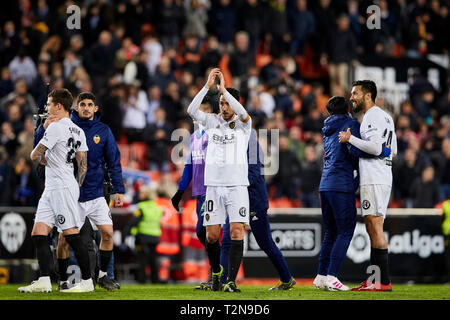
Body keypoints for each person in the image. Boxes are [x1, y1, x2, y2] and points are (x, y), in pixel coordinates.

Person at [173, 99, 295, 291]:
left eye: (228, 106)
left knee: (264, 242)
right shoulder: (225, 135)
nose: (224, 111)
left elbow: (255, 173)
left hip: (252, 197)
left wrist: (236, 186)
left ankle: (286, 278)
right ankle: (222, 280)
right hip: (233, 193)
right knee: (225, 238)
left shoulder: (249, 139)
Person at [34, 92, 125, 291]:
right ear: (75, 107)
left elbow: (113, 161)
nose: (85, 108)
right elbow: (42, 150)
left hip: (95, 192)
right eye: (82, 104)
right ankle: (64, 279)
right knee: (64, 239)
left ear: (95, 108)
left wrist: (119, 189)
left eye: (89, 104)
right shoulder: (64, 126)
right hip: (71, 192)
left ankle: (103, 276)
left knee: (107, 233)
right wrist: (41, 127)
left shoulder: (103, 130)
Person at [18, 88, 94, 293]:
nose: (47, 108)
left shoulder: (54, 128)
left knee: (70, 234)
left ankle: (87, 281)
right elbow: (83, 163)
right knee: (39, 232)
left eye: (49, 104)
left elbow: (34, 155)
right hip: (61, 185)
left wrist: (42, 128)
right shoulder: (78, 130)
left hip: (60, 187)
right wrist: (75, 186)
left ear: (59, 106)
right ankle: (44, 280)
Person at [313, 96, 391, 291]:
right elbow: (353, 150)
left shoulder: (326, 128)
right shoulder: (350, 123)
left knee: (331, 232)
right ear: (347, 108)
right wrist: (381, 151)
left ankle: (321, 276)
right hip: (341, 185)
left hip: (325, 185)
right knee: (346, 231)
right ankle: (332, 277)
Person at [187, 68, 251, 292]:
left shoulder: (244, 125)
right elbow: (191, 109)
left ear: (234, 103)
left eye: (226, 102)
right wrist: (207, 86)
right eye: (221, 103)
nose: (223, 106)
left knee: (236, 232)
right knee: (212, 236)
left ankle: (231, 282)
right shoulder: (211, 122)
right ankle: (216, 275)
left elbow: (244, 113)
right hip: (213, 186)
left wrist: (224, 88)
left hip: (237, 186)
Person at [338, 80, 397, 291]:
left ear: (368, 96)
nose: (351, 97)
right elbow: (391, 150)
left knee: (374, 226)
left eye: (355, 93)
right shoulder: (386, 117)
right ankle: (377, 280)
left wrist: (349, 138)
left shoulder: (372, 116)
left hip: (374, 177)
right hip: (382, 174)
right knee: (374, 227)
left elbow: (375, 147)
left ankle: (381, 281)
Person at [123, 186, 163, 283]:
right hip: (155, 236)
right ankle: (155, 280)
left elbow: (132, 222)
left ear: (145, 195)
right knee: (153, 260)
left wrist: (125, 235)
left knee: (142, 260)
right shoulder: (157, 207)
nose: (139, 195)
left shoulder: (141, 208)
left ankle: (142, 279)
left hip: (143, 237)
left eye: (141, 193)